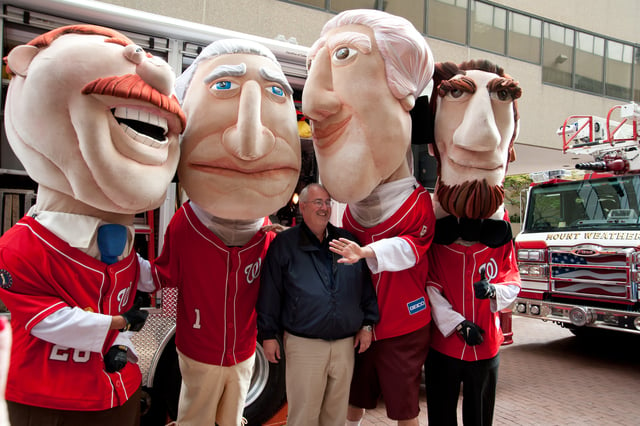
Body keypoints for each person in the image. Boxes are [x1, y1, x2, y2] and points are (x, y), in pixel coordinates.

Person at [0, 25, 184, 425]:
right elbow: (42, 318)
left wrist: (195, 255)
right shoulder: (23, 244)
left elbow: (157, 282)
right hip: (50, 398)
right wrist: (118, 325)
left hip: (117, 391)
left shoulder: (126, 251)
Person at [137, 38, 301, 426]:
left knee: (234, 418)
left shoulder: (268, 238)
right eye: (224, 86)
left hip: (244, 350)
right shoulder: (186, 224)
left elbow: (280, 291)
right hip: (199, 348)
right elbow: (163, 275)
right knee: (194, 416)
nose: (249, 143)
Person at [302, 9, 436, 426]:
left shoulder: (419, 204)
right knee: (351, 401)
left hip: (402, 323)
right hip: (359, 326)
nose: (312, 104)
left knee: (403, 408)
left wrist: (368, 251)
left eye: (343, 55)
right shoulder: (345, 203)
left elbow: (414, 248)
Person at [424, 59, 523, 426]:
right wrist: (455, 323)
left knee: (480, 417)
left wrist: (494, 291)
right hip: (446, 344)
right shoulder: (436, 228)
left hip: (487, 346)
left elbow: (513, 278)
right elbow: (430, 284)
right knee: (441, 414)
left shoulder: (501, 229)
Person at [256, 183, 379, 426]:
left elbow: (364, 286)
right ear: (302, 207)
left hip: (344, 346)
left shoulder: (348, 242)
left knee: (335, 417)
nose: (324, 208)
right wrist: (268, 335)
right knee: (303, 416)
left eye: (327, 202)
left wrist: (367, 324)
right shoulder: (285, 245)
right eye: (318, 202)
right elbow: (270, 292)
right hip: (304, 346)